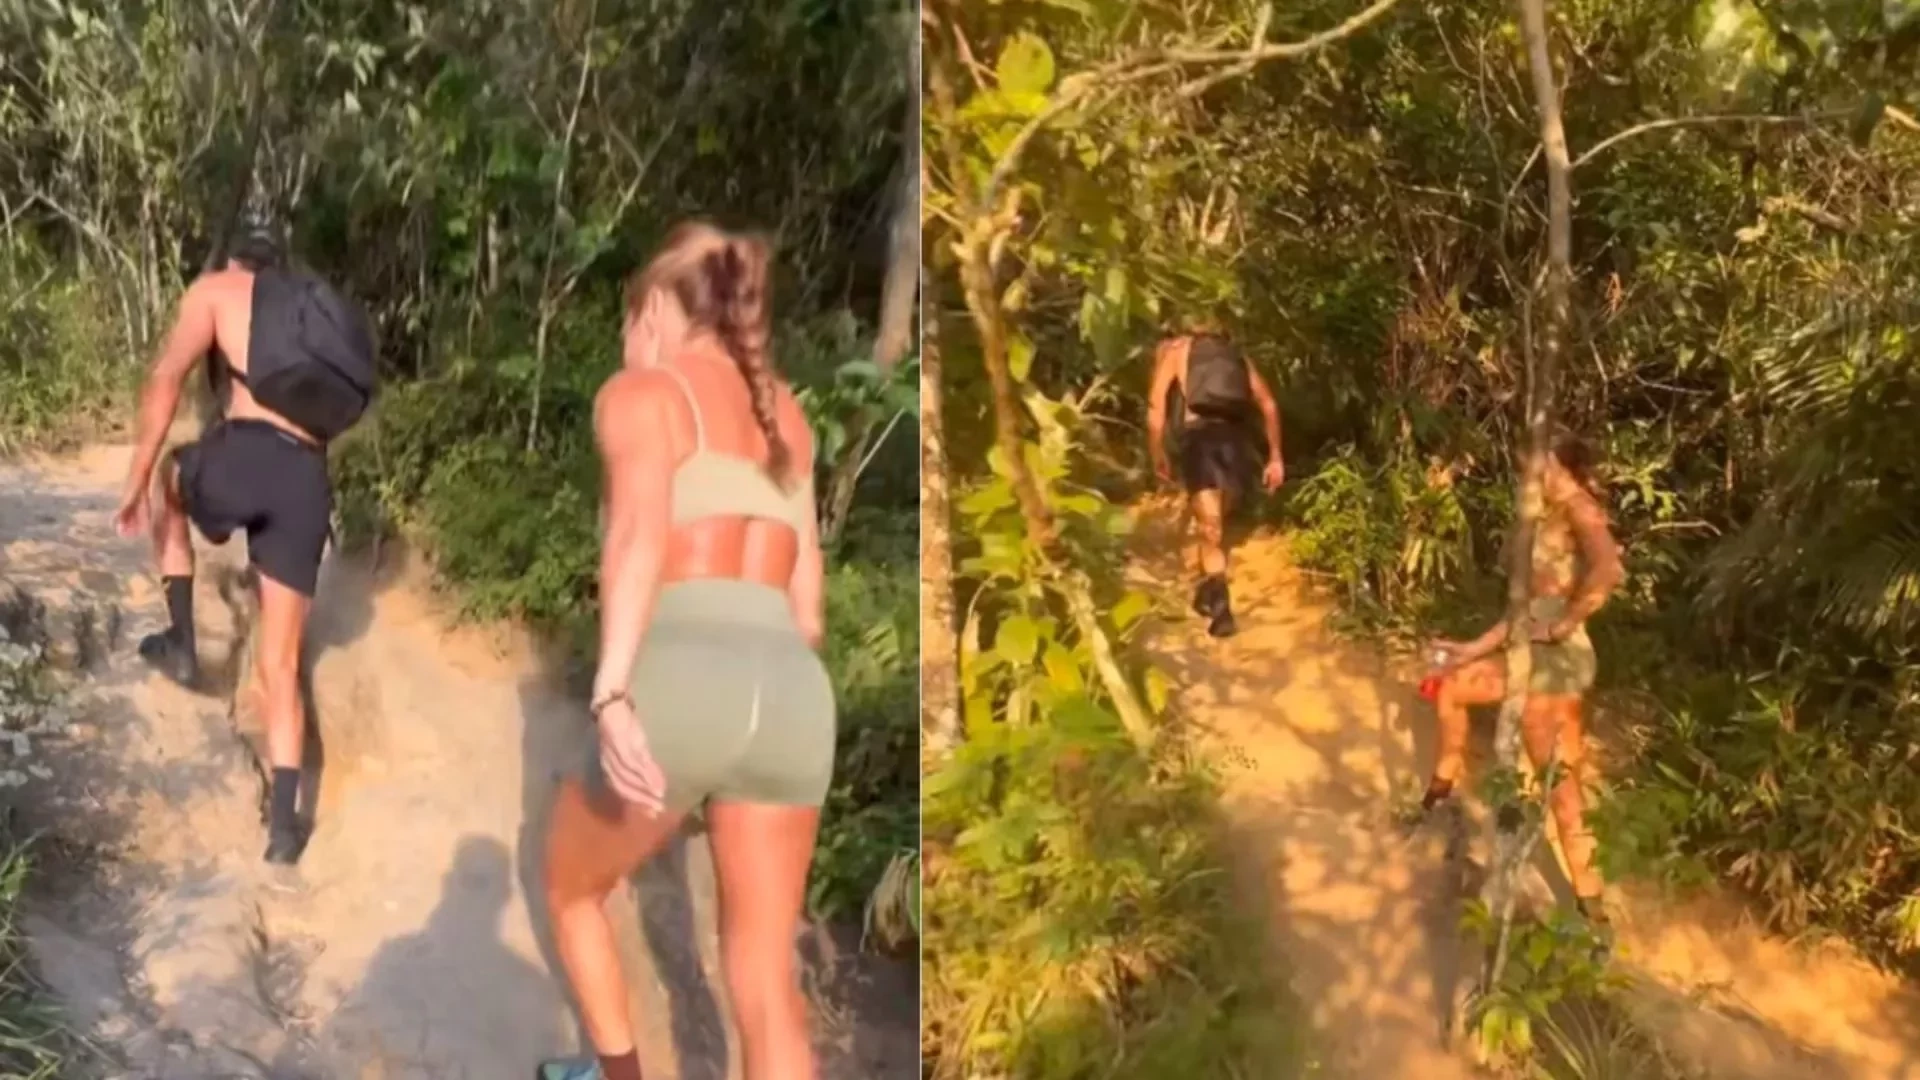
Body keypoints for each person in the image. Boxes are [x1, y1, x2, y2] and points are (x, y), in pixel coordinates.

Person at [537, 223, 833, 1080]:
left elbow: (636, 540)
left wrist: (612, 694)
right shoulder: (788, 414)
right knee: (766, 981)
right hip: (792, 693)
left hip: (685, 672)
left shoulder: (645, 395)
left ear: (658, 311)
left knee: (570, 889)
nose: (627, 343)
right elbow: (809, 612)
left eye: (630, 320)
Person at [113, 210, 375, 868]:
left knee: (170, 483)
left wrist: (138, 478)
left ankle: (181, 642)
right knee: (280, 666)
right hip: (306, 479)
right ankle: (284, 832)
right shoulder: (302, 314)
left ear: (235, 262)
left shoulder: (217, 291)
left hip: (245, 456)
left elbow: (166, 380)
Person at [1417, 432, 1624, 926]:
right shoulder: (1547, 514)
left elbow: (1609, 570)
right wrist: (1470, 649)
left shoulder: (1579, 508)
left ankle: (1591, 910)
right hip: (1533, 648)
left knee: (1560, 788)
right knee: (1452, 687)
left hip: (1555, 662)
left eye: (1539, 463)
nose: (1529, 472)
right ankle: (1436, 800)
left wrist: (1564, 624)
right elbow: (1523, 611)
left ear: (1561, 464)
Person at [1145, 319, 1284, 637]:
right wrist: (1275, 456)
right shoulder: (1236, 356)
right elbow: (1269, 403)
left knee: (1210, 528)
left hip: (1201, 440)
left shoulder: (1178, 351)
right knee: (1213, 525)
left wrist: (1157, 451)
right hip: (1235, 443)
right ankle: (1209, 595)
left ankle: (1219, 606)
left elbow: (1156, 404)